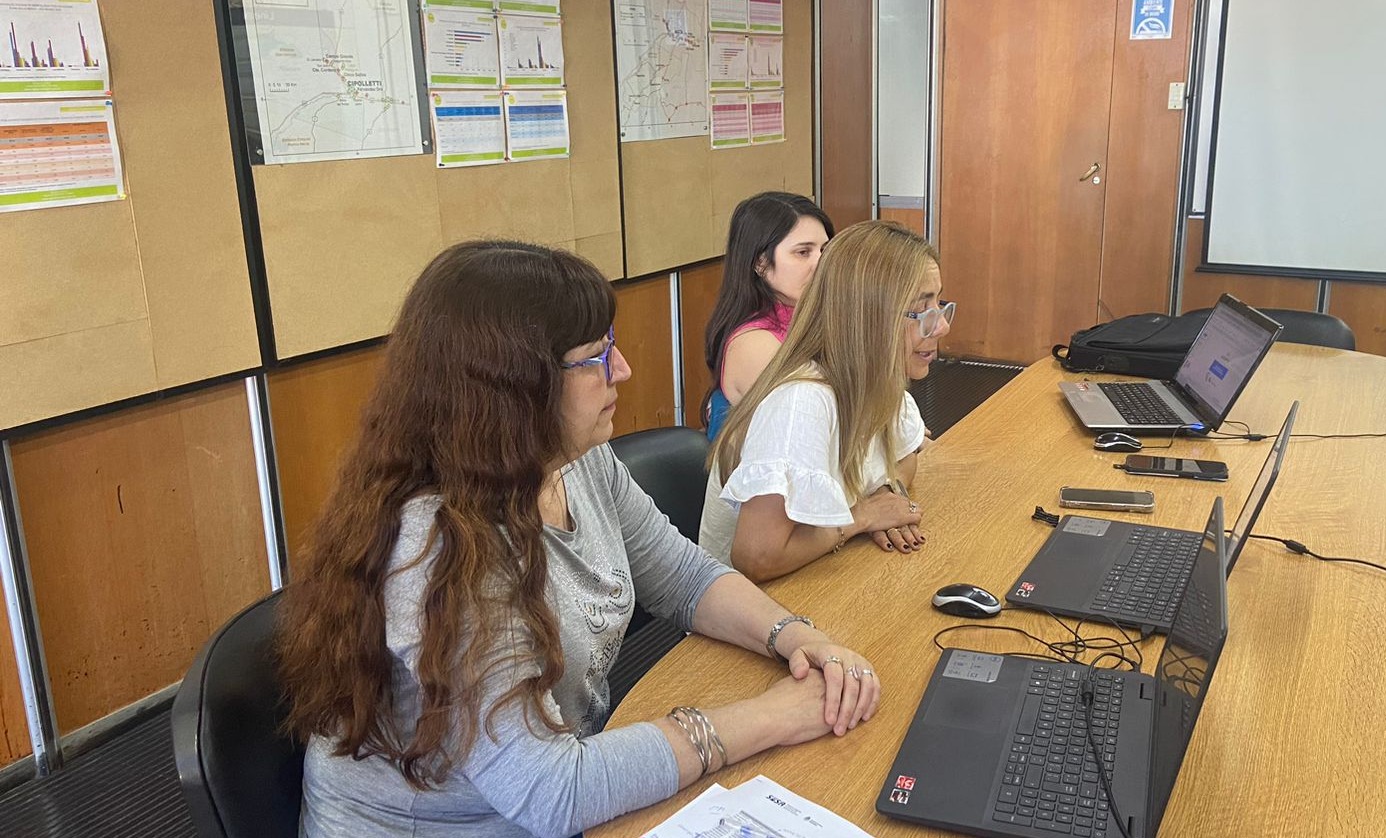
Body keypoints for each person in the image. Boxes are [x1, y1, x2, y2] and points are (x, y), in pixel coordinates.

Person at [276, 240, 881, 838]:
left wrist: (800, 638)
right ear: (514, 387)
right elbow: (551, 791)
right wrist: (772, 716)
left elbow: (683, 577)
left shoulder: (573, 460)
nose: (622, 369)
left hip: (557, 786)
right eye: (595, 356)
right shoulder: (440, 546)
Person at [699, 221, 956, 582]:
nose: (941, 327)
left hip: (818, 574)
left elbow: (905, 453)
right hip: (753, 605)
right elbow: (755, 556)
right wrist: (862, 516)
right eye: (922, 311)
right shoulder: (801, 402)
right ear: (868, 318)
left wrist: (885, 490)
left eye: (940, 304)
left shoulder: (876, 375)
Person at [703, 192, 835, 439]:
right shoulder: (752, 344)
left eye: (824, 251)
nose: (821, 264)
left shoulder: (814, 317)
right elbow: (817, 427)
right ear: (761, 263)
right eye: (803, 252)